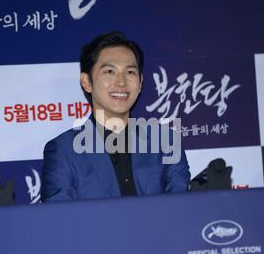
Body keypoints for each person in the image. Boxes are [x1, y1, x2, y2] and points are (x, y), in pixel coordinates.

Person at [42, 31, 190, 202]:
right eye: (109, 71)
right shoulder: (63, 150)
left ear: (140, 83)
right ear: (86, 82)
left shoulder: (167, 142)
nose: (121, 82)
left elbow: (180, 207)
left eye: (130, 72)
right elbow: (59, 219)